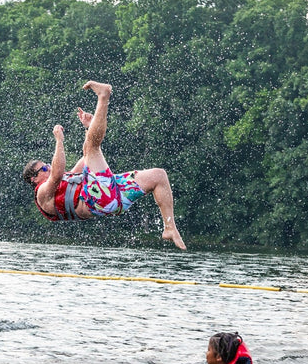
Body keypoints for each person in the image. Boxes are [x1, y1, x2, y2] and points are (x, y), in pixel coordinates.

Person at [22, 81, 186, 249]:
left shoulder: (69, 178)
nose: (48, 167)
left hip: (113, 197)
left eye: (47, 165)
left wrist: (89, 127)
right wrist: (59, 141)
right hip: (99, 200)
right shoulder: (42, 194)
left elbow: (86, 157)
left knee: (158, 175)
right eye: (43, 169)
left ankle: (169, 227)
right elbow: (57, 173)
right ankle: (103, 96)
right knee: (93, 147)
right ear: (34, 179)